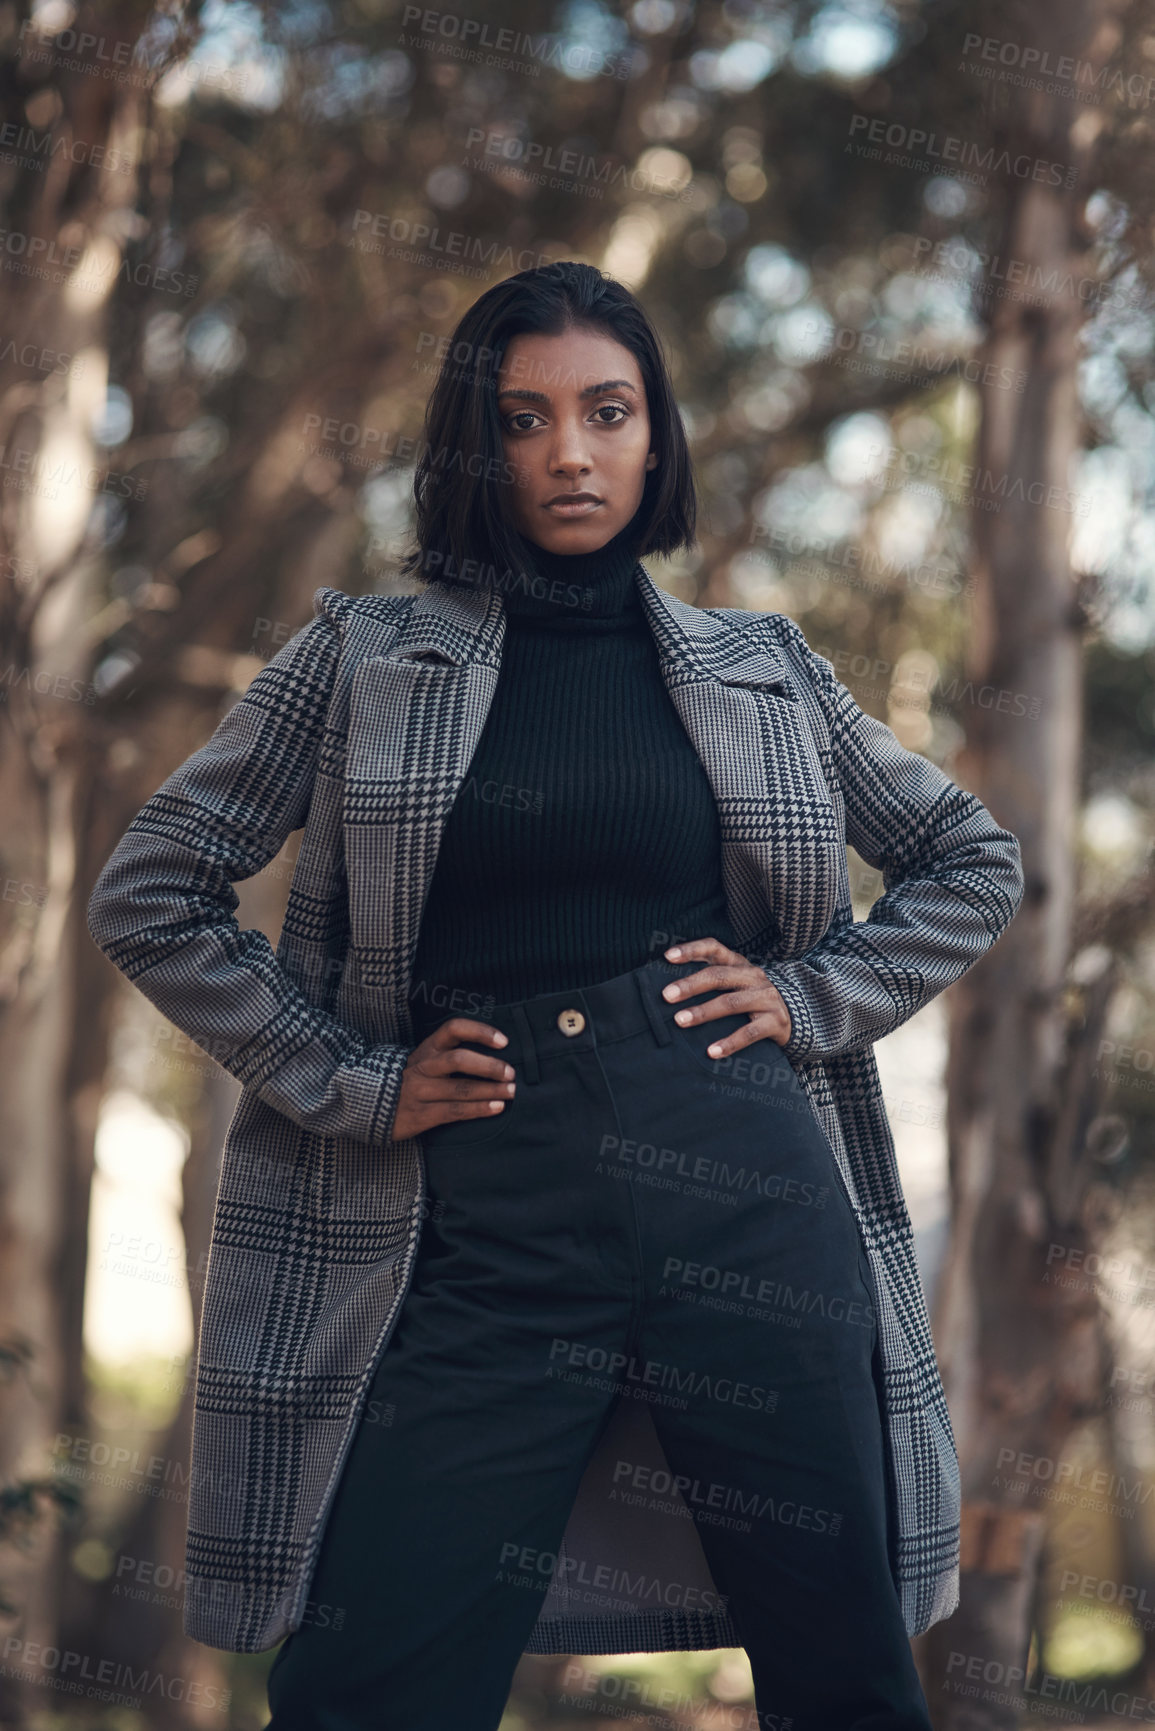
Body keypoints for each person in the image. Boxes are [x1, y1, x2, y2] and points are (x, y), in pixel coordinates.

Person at [87, 261, 1024, 1730]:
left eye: (608, 411)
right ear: (477, 445)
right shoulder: (361, 657)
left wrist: (809, 996)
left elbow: (970, 857)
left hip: (746, 1190)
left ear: (657, 439)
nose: (571, 452)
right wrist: (356, 1081)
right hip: (485, 1206)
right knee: (361, 1683)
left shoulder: (761, 668)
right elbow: (153, 889)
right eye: (524, 420)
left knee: (843, 1678)